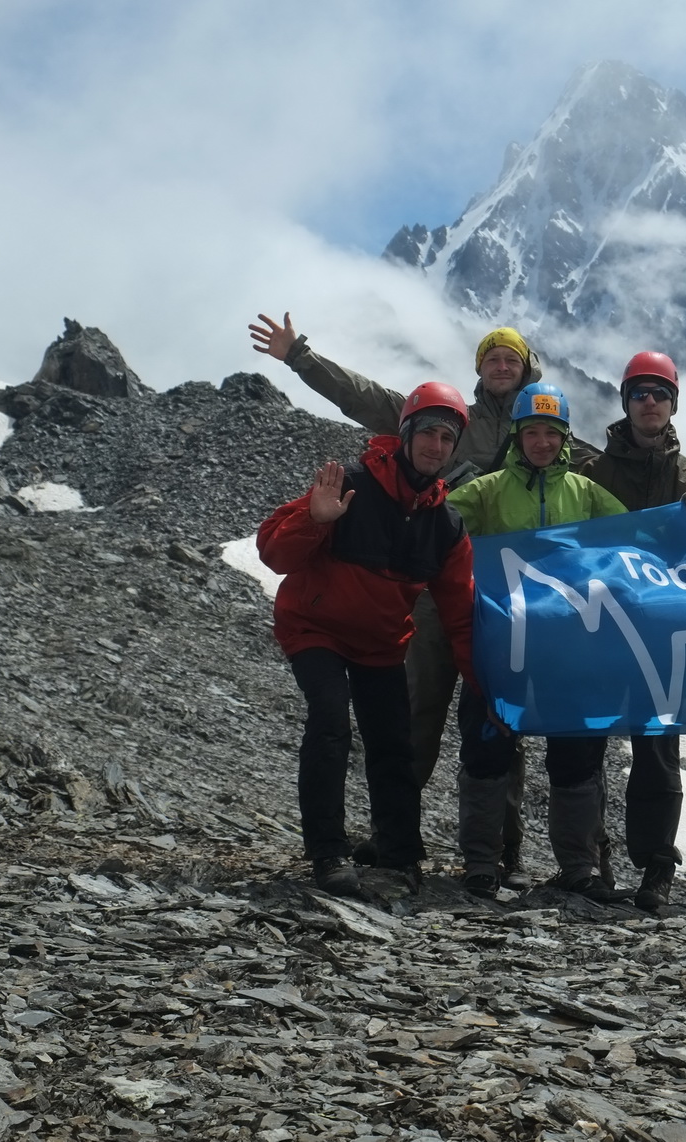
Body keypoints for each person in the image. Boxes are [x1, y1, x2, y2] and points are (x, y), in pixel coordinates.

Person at [249, 314, 544, 879]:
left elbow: (606, 474)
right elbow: (359, 395)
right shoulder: (399, 454)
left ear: (528, 367)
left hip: (460, 604)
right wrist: (299, 356)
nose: (436, 444)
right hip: (375, 609)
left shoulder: (542, 427)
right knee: (395, 720)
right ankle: (360, 846)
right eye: (492, 358)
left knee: (450, 726)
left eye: (512, 358)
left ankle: (485, 851)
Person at [255, 384, 479, 897]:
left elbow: (460, 615)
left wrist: (480, 682)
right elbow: (274, 552)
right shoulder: (349, 485)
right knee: (331, 721)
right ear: (405, 434)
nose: (437, 446)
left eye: (448, 437)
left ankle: (400, 857)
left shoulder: (446, 526)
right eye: (429, 432)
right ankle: (328, 853)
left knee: (392, 743)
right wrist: (314, 519)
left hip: (380, 642)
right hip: (316, 629)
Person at [448, 381, 626, 899]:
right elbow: (442, 524)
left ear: (566, 436)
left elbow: (638, 540)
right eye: (533, 432)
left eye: (552, 432)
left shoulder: (587, 493)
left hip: (572, 654)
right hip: (502, 645)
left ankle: (578, 867)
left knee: (576, 758)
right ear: (517, 435)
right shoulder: (488, 488)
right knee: (487, 752)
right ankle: (483, 862)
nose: (542, 442)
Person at [576, 351, 686, 913]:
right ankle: (592, 864)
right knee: (585, 744)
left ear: (672, 405)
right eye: (640, 393)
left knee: (657, 752)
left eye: (659, 394)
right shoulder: (590, 473)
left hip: (660, 637)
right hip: (602, 628)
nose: (649, 403)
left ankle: (655, 870)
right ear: (625, 402)